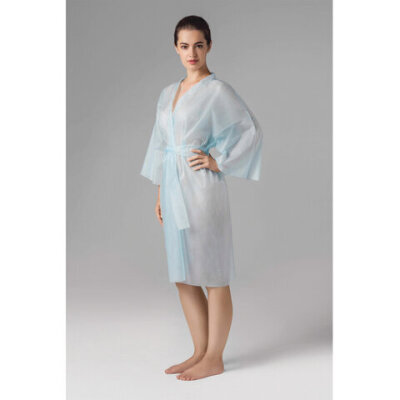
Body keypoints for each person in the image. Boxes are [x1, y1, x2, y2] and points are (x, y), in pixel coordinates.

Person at [140, 15, 263, 381]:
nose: (191, 53)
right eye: (184, 46)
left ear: (209, 46)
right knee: (183, 274)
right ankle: (199, 351)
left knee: (213, 273)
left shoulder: (217, 91)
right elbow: (161, 145)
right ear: (175, 49)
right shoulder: (168, 93)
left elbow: (249, 130)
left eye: (198, 45)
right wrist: (159, 192)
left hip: (202, 190)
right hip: (172, 188)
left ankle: (215, 357)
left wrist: (218, 160)